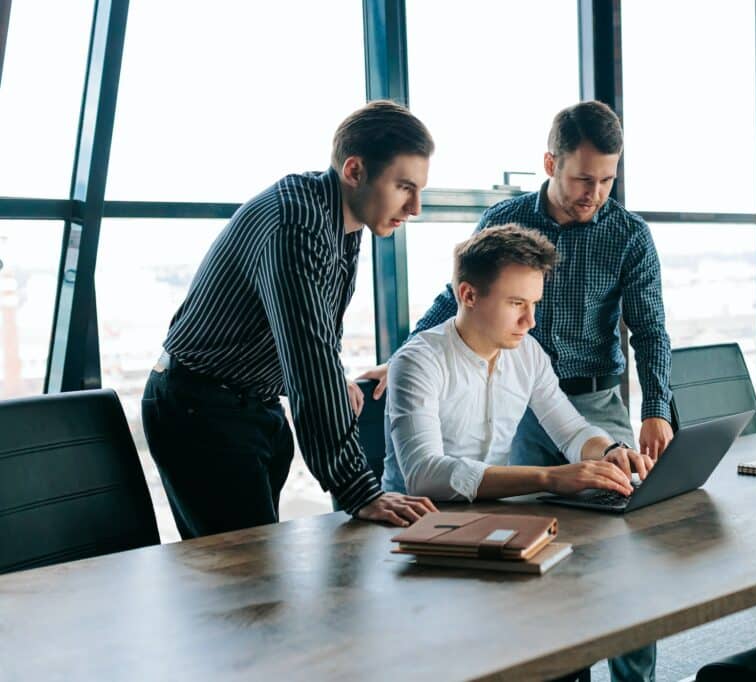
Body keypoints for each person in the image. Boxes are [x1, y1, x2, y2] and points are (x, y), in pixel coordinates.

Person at [366, 100, 672, 682]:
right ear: (551, 162)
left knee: (624, 559)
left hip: (588, 394)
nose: (595, 192)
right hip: (508, 420)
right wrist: (406, 354)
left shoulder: (626, 237)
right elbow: (457, 293)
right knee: (544, 558)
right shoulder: (506, 225)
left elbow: (650, 329)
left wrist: (644, 417)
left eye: (607, 180)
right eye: (584, 178)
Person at [141, 101, 438, 539]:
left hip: (253, 405)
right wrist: (361, 490)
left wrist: (336, 380)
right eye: (403, 187)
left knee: (253, 571)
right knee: (244, 576)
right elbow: (309, 359)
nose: (415, 208)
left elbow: (315, 325)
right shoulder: (297, 222)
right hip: (200, 408)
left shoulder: (342, 218)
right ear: (355, 171)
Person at [381, 224, 654, 502]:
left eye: (534, 303)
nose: (530, 321)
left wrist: (609, 452)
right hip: (409, 521)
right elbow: (424, 476)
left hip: (489, 516)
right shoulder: (418, 361)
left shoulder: (528, 353)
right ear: (468, 295)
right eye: (516, 303)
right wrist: (549, 478)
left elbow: (572, 432)